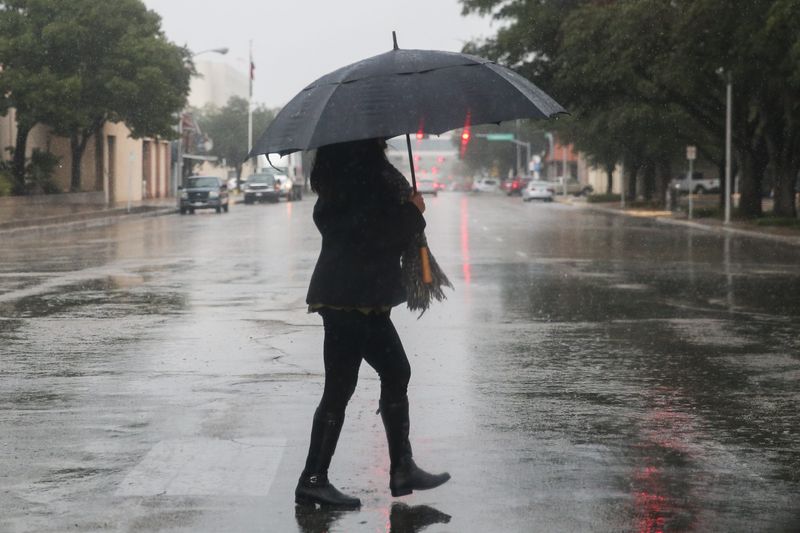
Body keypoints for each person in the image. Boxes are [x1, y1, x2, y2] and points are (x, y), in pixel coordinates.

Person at [295, 138, 451, 509]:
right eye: (378, 138)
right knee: (341, 387)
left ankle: (402, 468)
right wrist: (412, 212)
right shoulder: (361, 180)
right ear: (363, 145)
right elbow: (374, 236)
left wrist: (405, 208)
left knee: (396, 372)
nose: (384, 140)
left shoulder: (339, 179)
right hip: (350, 300)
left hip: (358, 298)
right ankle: (313, 480)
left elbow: (361, 233)